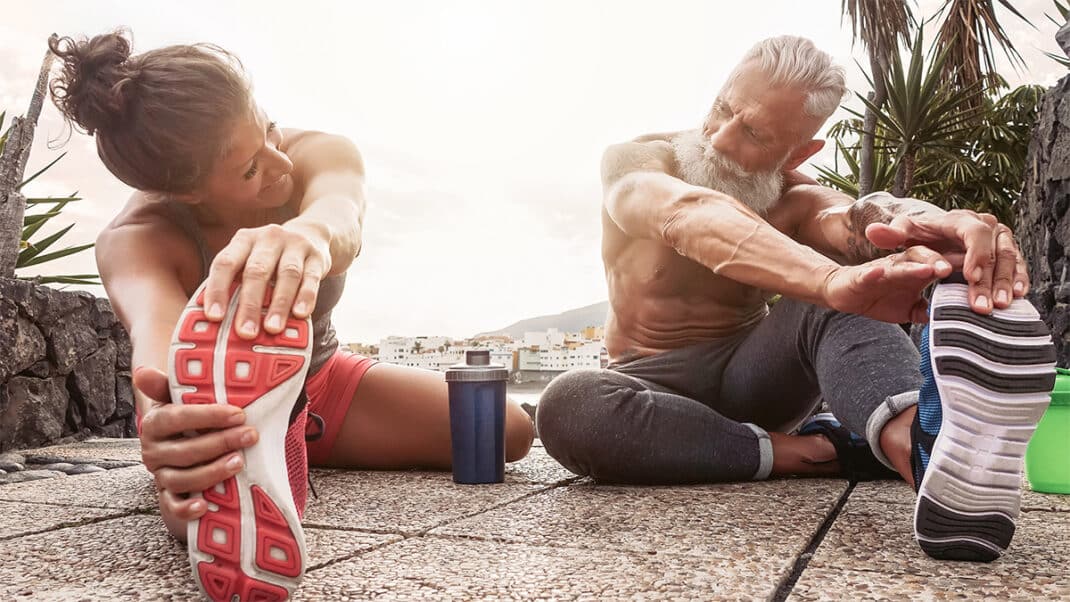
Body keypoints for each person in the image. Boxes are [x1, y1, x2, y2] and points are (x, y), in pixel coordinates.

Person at [48, 30, 535, 600]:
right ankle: (231, 468)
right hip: (221, 410)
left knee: (509, 431)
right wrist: (166, 420)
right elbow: (158, 340)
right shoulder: (136, 240)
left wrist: (309, 233)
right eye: (251, 169)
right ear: (183, 196)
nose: (281, 163)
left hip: (323, 378)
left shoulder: (317, 152)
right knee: (190, 515)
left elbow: (342, 212)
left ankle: (289, 434)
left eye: (269, 129)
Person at [536, 36, 1054, 562]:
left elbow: (863, 216)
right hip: (647, 385)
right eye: (723, 108)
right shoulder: (640, 161)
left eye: (754, 132)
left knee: (851, 288)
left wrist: (936, 226)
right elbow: (685, 213)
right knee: (567, 404)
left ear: (799, 151)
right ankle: (816, 450)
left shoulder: (790, 196)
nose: (719, 137)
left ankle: (922, 450)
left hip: (752, 379)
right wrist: (825, 278)